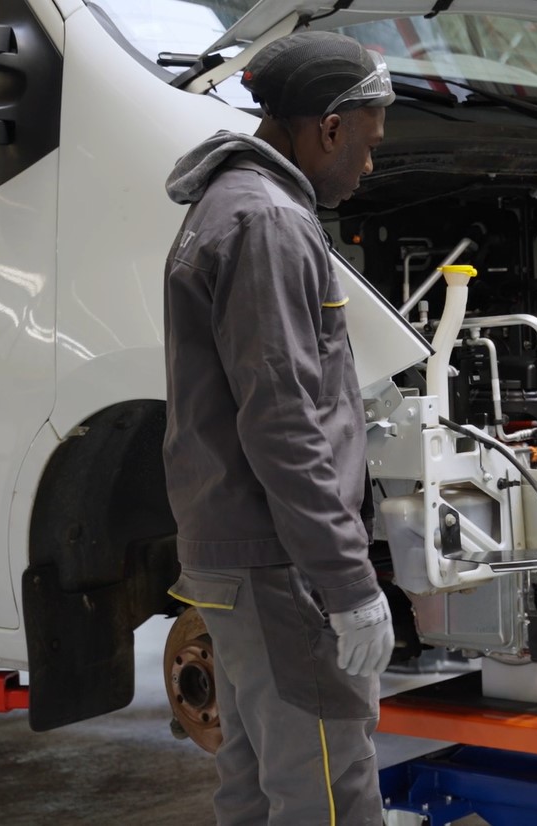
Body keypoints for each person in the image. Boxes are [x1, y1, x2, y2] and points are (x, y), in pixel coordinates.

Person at [160, 31, 396, 826]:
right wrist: (349, 583)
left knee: (258, 783)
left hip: (235, 556)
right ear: (329, 127)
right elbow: (285, 423)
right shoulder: (268, 223)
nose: (368, 166)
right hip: (279, 563)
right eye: (366, 142)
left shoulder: (229, 204)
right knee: (327, 789)